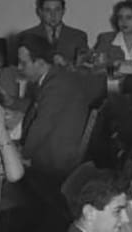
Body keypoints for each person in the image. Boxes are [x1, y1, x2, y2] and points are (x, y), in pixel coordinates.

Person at [14, 38, 105, 193]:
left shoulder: (56, 85)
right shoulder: (55, 77)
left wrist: (23, 153)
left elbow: (42, 126)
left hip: (55, 160)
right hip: (57, 150)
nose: (19, 67)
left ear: (40, 63)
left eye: (24, 63)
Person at [16, 0, 89, 66]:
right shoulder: (26, 36)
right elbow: (19, 68)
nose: (53, 15)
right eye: (48, 10)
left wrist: (66, 64)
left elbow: (85, 69)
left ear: (63, 11)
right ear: (40, 12)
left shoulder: (78, 36)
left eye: (57, 10)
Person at [94, 0, 132, 69]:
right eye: (120, 17)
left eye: (129, 17)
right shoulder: (106, 39)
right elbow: (97, 68)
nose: (123, 21)